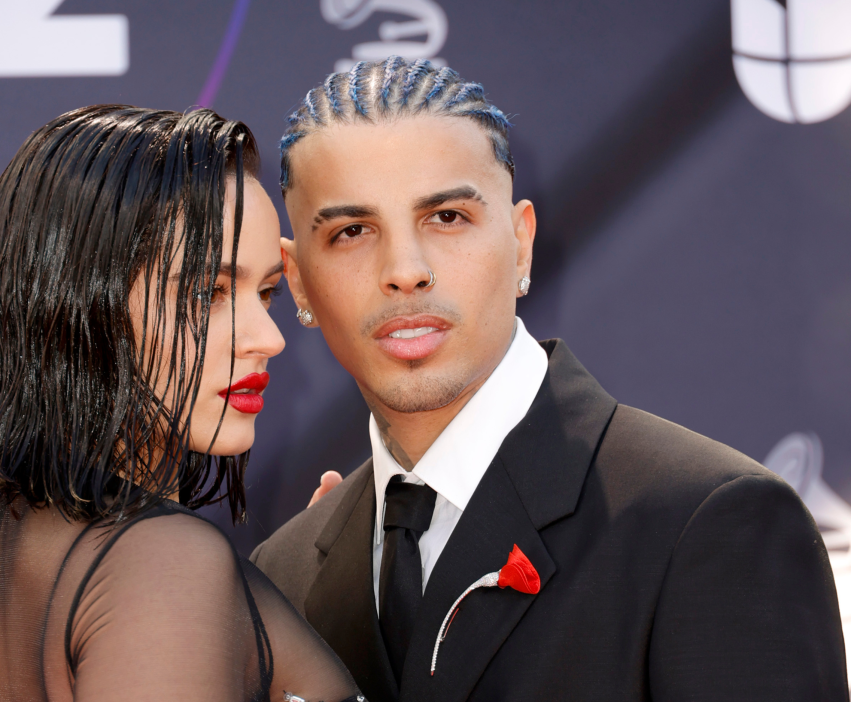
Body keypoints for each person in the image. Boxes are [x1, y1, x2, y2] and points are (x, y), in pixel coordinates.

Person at [251, 57, 849, 701]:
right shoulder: (282, 574)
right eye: (353, 231)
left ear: (522, 242)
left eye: (447, 217)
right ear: (300, 281)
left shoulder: (708, 523)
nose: (406, 269)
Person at [0, 105, 363, 702]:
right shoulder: (162, 560)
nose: (270, 338)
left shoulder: (3, 537)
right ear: (76, 306)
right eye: (209, 294)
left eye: (266, 294)